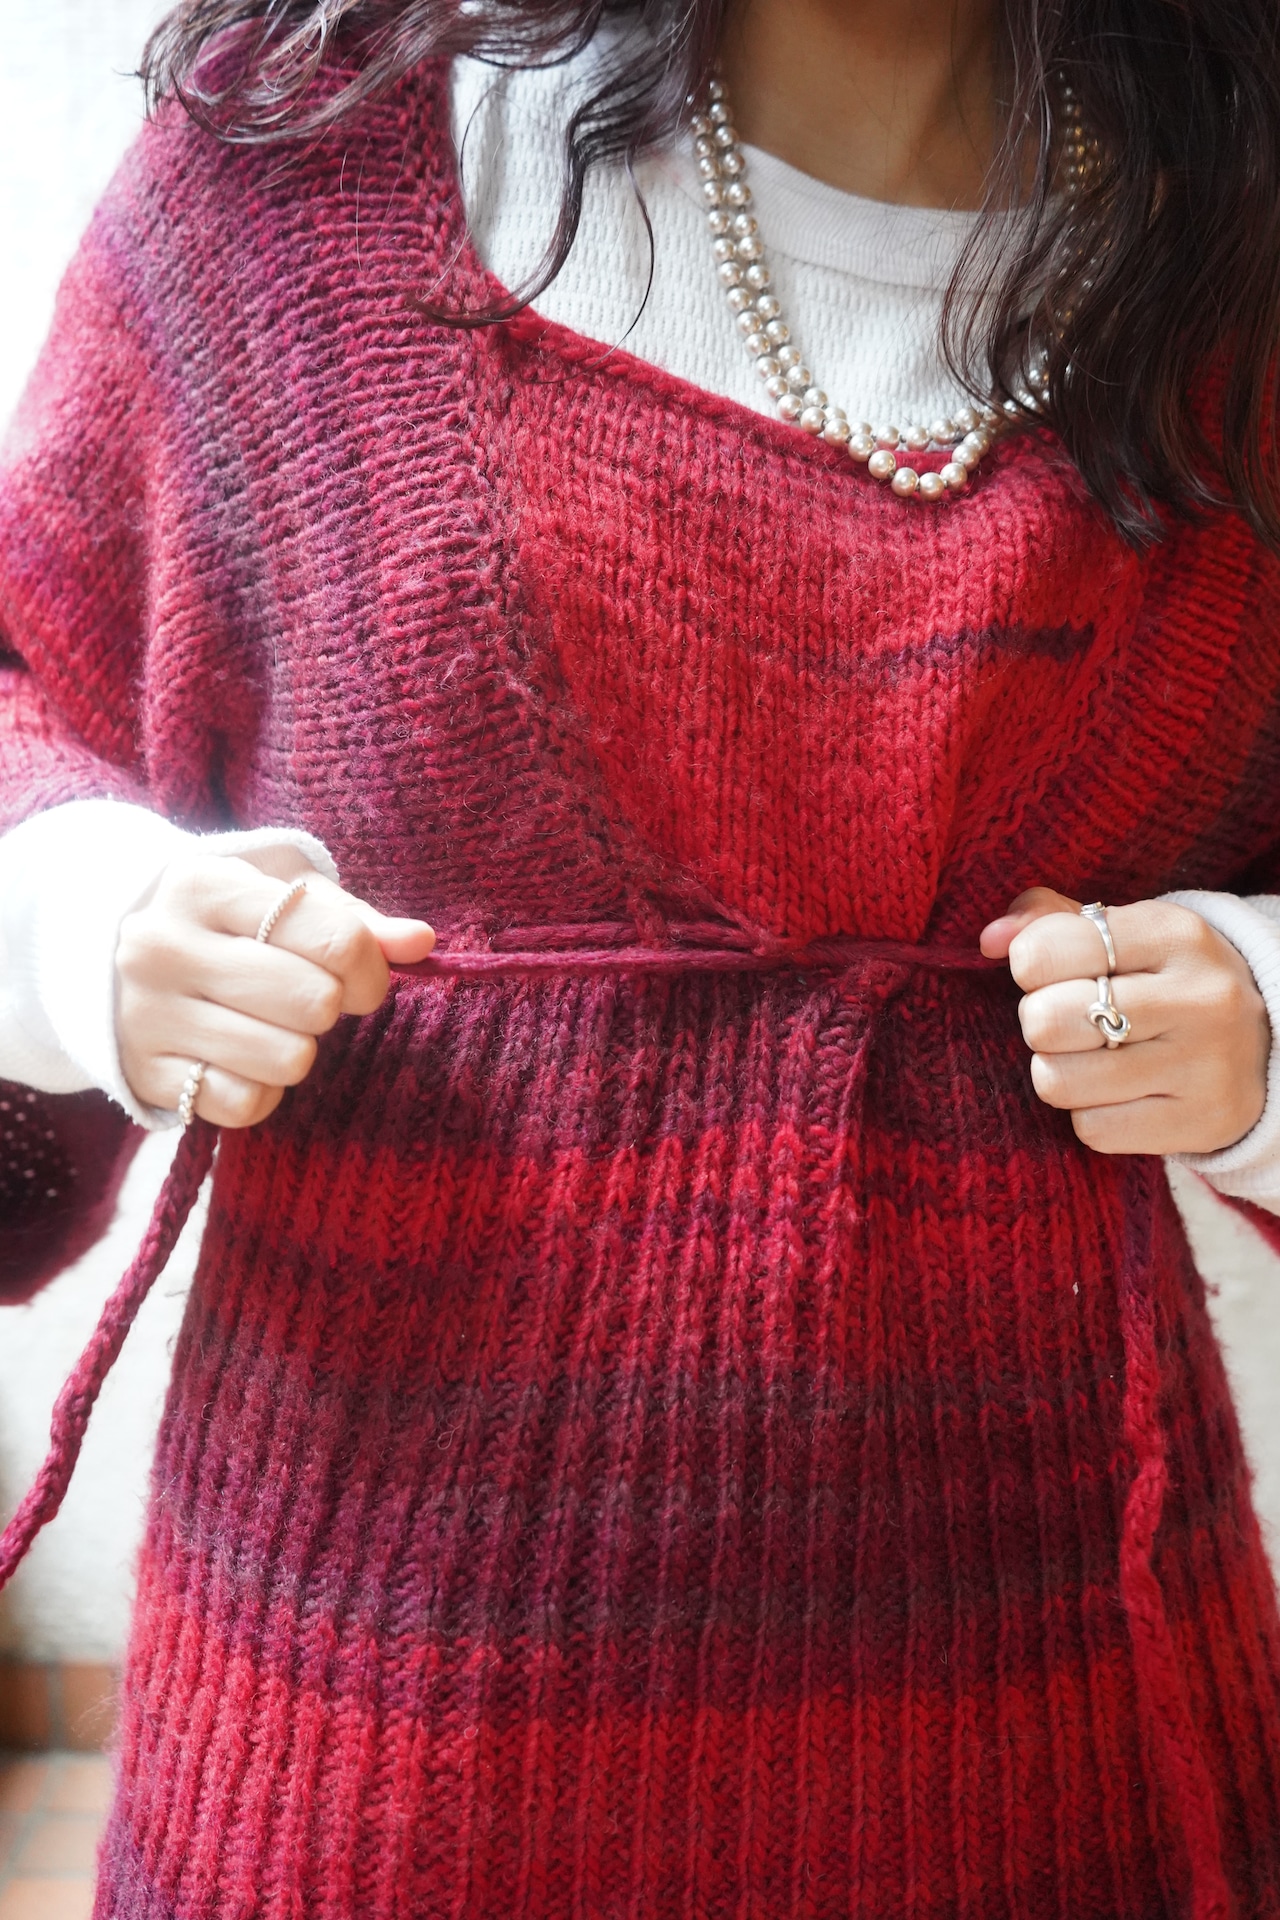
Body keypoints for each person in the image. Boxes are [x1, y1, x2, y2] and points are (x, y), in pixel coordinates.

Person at [2, 0, 1280, 1909]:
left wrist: (1260, 1019)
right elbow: (30, 684)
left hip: (1062, 1741)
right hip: (363, 1749)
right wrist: (81, 923)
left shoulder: (1235, 260)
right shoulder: (298, 157)